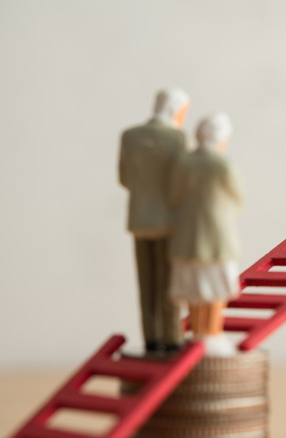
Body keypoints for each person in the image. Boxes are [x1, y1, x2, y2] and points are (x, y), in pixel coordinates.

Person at [119, 88, 190, 353]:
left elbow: (125, 178)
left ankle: (151, 338)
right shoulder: (177, 138)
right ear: (176, 110)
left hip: (139, 218)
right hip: (168, 222)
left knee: (145, 282)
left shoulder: (130, 136)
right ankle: (172, 337)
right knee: (168, 283)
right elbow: (182, 182)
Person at [168, 112, 243, 357]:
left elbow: (174, 195)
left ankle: (198, 334)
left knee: (194, 287)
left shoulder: (183, 162)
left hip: (187, 236)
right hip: (216, 237)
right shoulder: (222, 165)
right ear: (221, 139)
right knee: (215, 289)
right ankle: (212, 334)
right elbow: (237, 197)